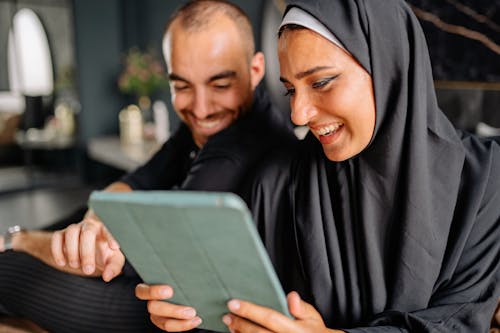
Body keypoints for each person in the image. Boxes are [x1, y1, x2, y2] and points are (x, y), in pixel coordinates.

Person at [137, 0, 500, 332]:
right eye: (291, 90)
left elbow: (462, 319)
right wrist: (194, 313)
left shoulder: (485, 180)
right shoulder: (278, 183)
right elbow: (245, 311)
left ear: (388, 66)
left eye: (321, 82)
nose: (299, 113)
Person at [0, 0, 296, 332]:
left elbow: (107, 261)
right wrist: (95, 219)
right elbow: (138, 179)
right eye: (181, 86)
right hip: (163, 278)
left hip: (199, 316)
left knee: (6, 270)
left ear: (256, 70)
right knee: (88, 209)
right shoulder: (209, 125)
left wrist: (22, 239)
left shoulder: (242, 145)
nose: (199, 109)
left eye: (220, 85)